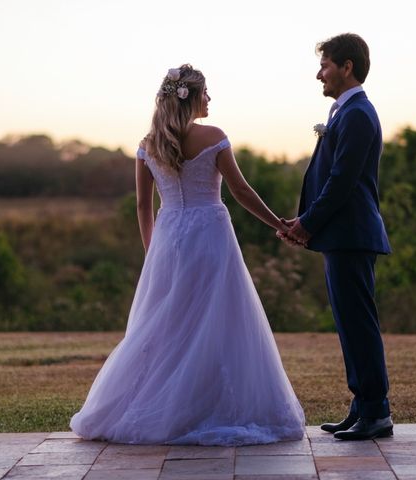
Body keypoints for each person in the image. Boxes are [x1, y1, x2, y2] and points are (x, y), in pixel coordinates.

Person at [70, 64, 305, 446]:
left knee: (167, 325)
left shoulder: (149, 145)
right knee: (217, 320)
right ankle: (207, 406)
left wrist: (153, 254)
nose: (210, 99)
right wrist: (278, 223)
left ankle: (165, 405)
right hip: (211, 235)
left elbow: (144, 208)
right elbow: (242, 192)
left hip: (168, 238)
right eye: (206, 92)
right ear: (191, 97)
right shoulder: (214, 137)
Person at [280, 33, 393, 440]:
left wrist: (307, 223)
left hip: (352, 235)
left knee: (359, 324)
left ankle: (377, 412)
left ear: (347, 67)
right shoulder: (342, 113)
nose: (319, 74)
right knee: (349, 324)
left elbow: (341, 182)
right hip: (341, 235)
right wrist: (306, 221)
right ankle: (362, 405)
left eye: (325, 65)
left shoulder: (358, 114)